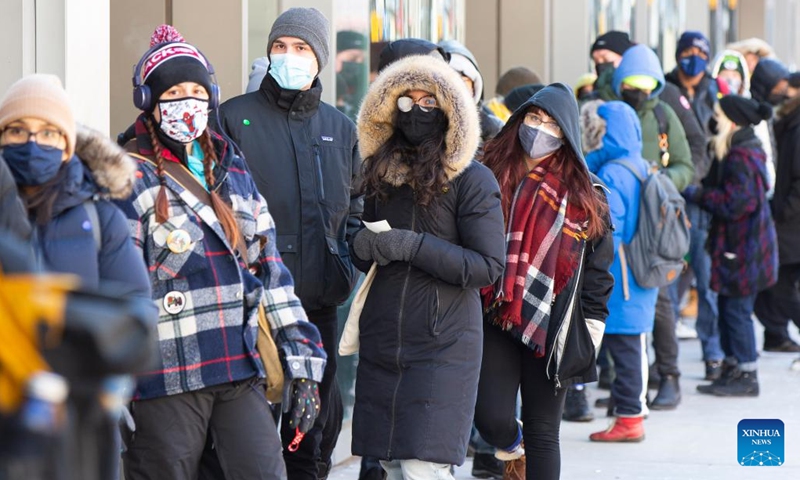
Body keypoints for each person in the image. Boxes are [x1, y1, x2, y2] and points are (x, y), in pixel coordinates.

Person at [115, 26, 326, 480]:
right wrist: (109, 383)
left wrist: (304, 364)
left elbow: (270, 269)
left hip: (236, 361)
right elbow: (117, 287)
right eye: (173, 92)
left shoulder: (229, 165)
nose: (186, 103)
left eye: (195, 91)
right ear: (148, 100)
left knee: (264, 471)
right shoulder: (127, 175)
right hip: (165, 372)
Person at [216, 8, 360, 479]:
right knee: (248, 437)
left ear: (319, 58)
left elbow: (354, 206)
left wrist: (344, 257)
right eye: (280, 47)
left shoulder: (340, 128)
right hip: (250, 308)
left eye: (301, 48)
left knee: (308, 431)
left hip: (317, 304)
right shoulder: (234, 118)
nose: (289, 56)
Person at [350, 53, 506, 480]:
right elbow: (366, 250)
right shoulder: (381, 172)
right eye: (405, 101)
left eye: (428, 102)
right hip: (384, 339)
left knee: (424, 467)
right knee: (393, 465)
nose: (416, 111)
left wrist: (414, 245)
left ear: (449, 109)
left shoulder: (473, 179)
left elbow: (487, 266)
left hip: (444, 345)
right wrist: (361, 245)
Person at [477, 83, 614, 480]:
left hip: (554, 326)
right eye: (533, 118)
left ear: (567, 133)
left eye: (552, 124)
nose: (540, 129)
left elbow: (598, 276)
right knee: (490, 417)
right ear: (519, 121)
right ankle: (510, 445)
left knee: (544, 432)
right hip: (496, 314)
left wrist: (590, 332)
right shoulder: (489, 175)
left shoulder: (589, 196)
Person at [685, 96, 778, 396]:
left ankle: (747, 374)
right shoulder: (739, 149)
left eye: (717, 114)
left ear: (732, 120)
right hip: (739, 247)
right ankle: (732, 366)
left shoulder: (742, 156)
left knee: (737, 311)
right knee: (727, 308)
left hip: (743, 249)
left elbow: (736, 203)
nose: (713, 119)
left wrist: (699, 194)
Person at [582, 101, 658, 442]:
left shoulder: (614, 173)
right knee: (630, 345)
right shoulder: (639, 164)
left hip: (621, 276)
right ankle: (627, 413)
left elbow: (615, 229)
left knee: (627, 347)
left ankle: (630, 418)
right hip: (636, 274)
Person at [751, 58, 800, 354]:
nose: (784, 94)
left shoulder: (794, 126)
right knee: (772, 283)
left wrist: (782, 213)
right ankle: (776, 333)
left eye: (789, 89)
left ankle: (777, 331)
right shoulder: (786, 122)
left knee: (780, 284)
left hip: (789, 222)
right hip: (785, 218)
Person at [439, 39, 505, 144]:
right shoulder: (426, 122)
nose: (458, 88)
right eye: (451, 81)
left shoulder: (493, 129)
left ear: (475, 87)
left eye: (464, 81)